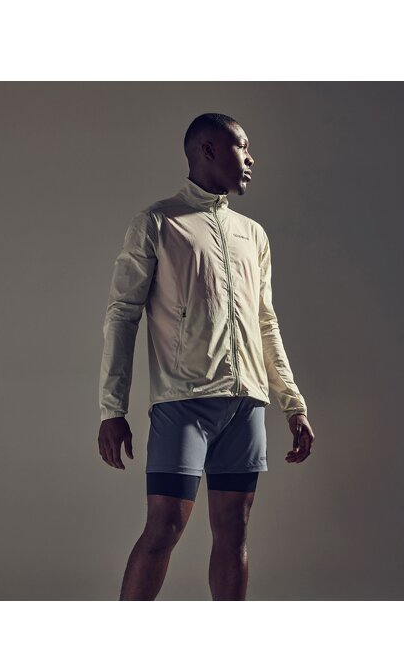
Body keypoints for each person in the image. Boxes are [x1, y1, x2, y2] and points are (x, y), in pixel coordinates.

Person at [98, 112, 315, 601]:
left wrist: (293, 404)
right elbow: (122, 315)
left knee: (234, 532)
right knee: (165, 527)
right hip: (184, 403)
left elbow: (266, 323)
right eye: (242, 147)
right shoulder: (158, 223)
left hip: (246, 406)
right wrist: (112, 409)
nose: (251, 158)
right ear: (208, 150)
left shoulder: (253, 235)